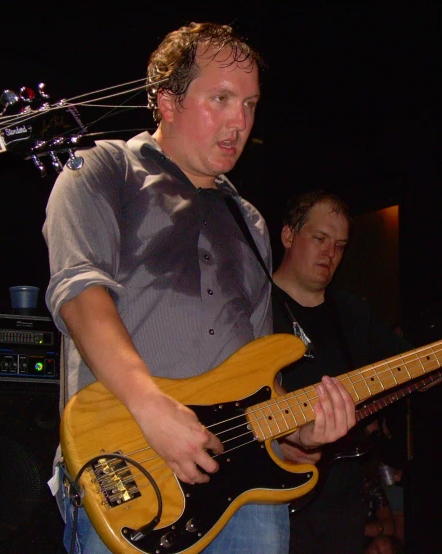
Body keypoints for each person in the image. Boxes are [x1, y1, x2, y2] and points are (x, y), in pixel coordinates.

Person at [42, 23, 356, 554]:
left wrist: (294, 434)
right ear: (167, 101)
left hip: (245, 500)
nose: (241, 121)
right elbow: (79, 295)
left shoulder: (250, 221)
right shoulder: (101, 169)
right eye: (221, 99)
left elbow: (257, 369)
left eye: (251, 104)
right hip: (130, 468)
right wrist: (152, 407)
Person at [269, 190, 442, 553]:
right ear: (287, 235)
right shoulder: (251, 303)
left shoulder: (351, 313)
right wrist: (279, 439)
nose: (331, 253)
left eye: (341, 245)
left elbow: (419, 373)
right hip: (266, 499)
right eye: (320, 239)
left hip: (339, 502)